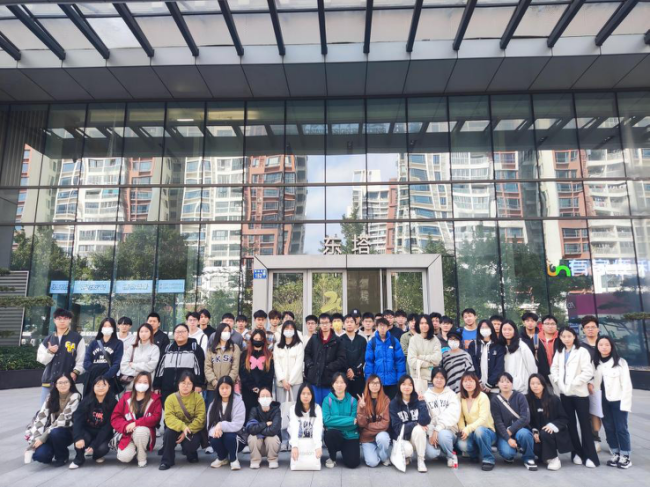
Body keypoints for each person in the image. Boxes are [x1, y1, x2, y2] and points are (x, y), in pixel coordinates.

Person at [550, 326, 598, 468]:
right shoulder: (559, 352)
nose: (566, 339)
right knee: (570, 424)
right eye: (564, 336)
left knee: (585, 424)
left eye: (569, 336)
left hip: (579, 393)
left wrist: (573, 382)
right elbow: (554, 368)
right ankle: (576, 453)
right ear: (560, 338)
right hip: (565, 393)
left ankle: (590, 456)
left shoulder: (582, 351)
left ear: (574, 337)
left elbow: (588, 371)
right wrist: (558, 381)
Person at [25, 372, 81, 466]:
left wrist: (42, 438)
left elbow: (62, 420)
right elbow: (41, 417)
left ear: (71, 383)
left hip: (66, 432)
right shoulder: (50, 396)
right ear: (55, 385)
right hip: (49, 433)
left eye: (66, 382)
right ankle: (53, 449)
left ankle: (62, 456)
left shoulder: (75, 396)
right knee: (41, 456)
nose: (63, 385)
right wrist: (35, 441)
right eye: (60, 383)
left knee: (56, 432)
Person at [594, 336, 633, 469]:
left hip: (618, 400)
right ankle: (615, 453)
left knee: (621, 428)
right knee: (609, 428)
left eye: (607, 345)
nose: (604, 347)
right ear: (597, 347)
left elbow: (627, 385)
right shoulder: (596, 363)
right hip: (603, 401)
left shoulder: (620, 362)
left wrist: (626, 404)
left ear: (611, 346)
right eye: (601, 345)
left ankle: (625, 456)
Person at [111, 371, 163, 468]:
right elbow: (115, 417)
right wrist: (125, 426)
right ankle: (134, 449)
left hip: (144, 433)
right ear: (135, 383)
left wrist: (136, 423)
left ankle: (141, 456)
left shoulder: (155, 399)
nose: (142, 384)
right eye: (139, 382)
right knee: (124, 457)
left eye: (145, 382)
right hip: (128, 434)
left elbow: (156, 418)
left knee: (140, 431)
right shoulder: (126, 397)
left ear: (149, 384)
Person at [37, 308, 85, 405]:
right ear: (54, 320)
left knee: (67, 409)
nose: (62, 321)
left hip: (67, 381)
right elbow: (41, 359)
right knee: (45, 408)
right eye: (59, 318)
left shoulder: (77, 338)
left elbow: (82, 359)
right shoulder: (48, 339)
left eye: (65, 318)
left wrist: (75, 372)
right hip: (49, 381)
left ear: (70, 320)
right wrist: (50, 352)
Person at [159, 372, 206, 470]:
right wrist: (182, 427)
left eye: (189, 383)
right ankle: (167, 460)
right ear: (178, 384)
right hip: (176, 427)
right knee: (168, 434)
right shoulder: (171, 398)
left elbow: (201, 418)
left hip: (192, 428)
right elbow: (169, 417)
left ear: (193, 385)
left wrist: (186, 431)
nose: (186, 386)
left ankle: (191, 453)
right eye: (183, 383)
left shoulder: (198, 398)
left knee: (191, 444)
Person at [490, 373, 537, 470]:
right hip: (504, 432)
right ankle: (512, 452)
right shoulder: (495, 400)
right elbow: (498, 422)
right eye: (502, 382)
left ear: (512, 383)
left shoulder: (520, 396)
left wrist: (511, 430)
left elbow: (525, 418)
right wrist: (508, 438)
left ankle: (529, 458)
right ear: (498, 384)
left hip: (520, 429)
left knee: (525, 434)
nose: (505, 384)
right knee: (508, 453)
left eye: (508, 382)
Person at [526, 373, 572, 471]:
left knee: (545, 432)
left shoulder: (553, 399)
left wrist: (552, 426)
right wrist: (534, 431)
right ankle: (544, 457)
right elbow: (527, 420)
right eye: (532, 383)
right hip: (537, 433)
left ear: (543, 385)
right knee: (534, 445)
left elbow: (564, 418)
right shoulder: (527, 400)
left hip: (553, 433)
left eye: (538, 383)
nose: (535, 386)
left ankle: (553, 459)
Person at [69, 376, 117, 469]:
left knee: (102, 449)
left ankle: (96, 455)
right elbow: (78, 421)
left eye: (104, 385)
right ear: (93, 387)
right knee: (81, 438)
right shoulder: (86, 401)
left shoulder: (113, 402)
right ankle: (79, 458)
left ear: (109, 386)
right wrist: (78, 438)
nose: (101, 388)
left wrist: (94, 445)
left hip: (103, 433)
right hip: (87, 431)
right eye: (98, 385)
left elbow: (108, 427)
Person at [154, 323, 206, 407]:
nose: (180, 334)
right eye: (177, 332)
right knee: (168, 411)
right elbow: (160, 368)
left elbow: (200, 368)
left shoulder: (195, 348)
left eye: (183, 331)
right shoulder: (168, 348)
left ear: (188, 333)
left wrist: (199, 385)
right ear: (174, 334)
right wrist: (157, 386)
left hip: (187, 389)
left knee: (186, 411)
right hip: (167, 389)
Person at [389, 374, 431, 473]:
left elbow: (425, 421)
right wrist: (415, 423)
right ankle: (407, 456)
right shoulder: (394, 404)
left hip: (415, 437)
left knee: (420, 430)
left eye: (410, 384)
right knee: (408, 449)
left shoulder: (418, 400)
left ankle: (421, 460)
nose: (407, 387)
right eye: (404, 384)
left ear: (413, 387)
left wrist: (422, 403)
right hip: (402, 438)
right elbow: (398, 429)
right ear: (399, 386)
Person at [456, 372, 497, 471]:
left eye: (471, 381)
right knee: (462, 444)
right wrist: (462, 430)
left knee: (479, 431)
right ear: (462, 383)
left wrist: (468, 429)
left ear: (476, 383)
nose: (468, 384)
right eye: (465, 381)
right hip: (471, 432)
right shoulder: (460, 396)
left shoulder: (483, 397)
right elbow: (460, 416)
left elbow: (483, 419)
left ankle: (488, 459)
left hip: (487, 431)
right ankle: (474, 454)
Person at [304, 313, 347, 405]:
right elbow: (307, 353)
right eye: (322, 323)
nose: (324, 325)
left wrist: (329, 367)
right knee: (315, 407)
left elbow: (341, 359)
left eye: (326, 323)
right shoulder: (314, 338)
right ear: (319, 324)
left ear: (331, 324)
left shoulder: (337, 341)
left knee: (329, 406)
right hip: (314, 379)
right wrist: (310, 365)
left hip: (329, 380)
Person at [423, 368, 460, 467]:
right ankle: (443, 449)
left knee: (443, 435)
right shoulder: (426, 396)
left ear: (446, 380)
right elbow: (426, 417)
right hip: (432, 431)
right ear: (432, 379)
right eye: (436, 377)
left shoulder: (451, 395)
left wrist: (438, 429)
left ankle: (450, 455)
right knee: (432, 454)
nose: (439, 380)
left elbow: (452, 415)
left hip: (448, 431)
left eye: (442, 378)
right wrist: (431, 433)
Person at [207, 375, 246, 470]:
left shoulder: (238, 402)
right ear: (218, 389)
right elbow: (209, 425)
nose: (224, 391)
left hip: (237, 437)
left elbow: (238, 424)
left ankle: (234, 459)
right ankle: (222, 457)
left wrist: (221, 425)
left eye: (227, 388)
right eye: (222, 388)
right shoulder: (213, 404)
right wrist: (215, 431)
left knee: (229, 436)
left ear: (232, 388)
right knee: (214, 438)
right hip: (220, 436)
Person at [322, 373, 360, 469]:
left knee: (353, 463)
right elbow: (326, 421)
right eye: (336, 382)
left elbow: (355, 424)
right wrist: (349, 420)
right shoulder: (327, 400)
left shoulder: (353, 401)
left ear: (346, 384)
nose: (339, 385)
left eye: (342, 382)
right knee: (330, 434)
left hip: (350, 435)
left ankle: (346, 451)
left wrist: (334, 421)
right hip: (336, 435)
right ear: (332, 384)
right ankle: (332, 457)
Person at [365, 317, 406, 399]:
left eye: (384, 326)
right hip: (377, 382)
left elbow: (400, 361)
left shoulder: (394, 341)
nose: (382, 328)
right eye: (380, 326)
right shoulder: (372, 342)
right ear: (376, 327)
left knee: (392, 403)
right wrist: (369, 380)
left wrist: (400, 380)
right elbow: (369, 363)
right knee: (378, 404)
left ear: (388, 327)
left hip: (393, 381)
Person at [357, 374, 391, 467]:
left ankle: (383, 456)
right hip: (367, 437)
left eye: (377, 383)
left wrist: (368, 427)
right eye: (372, 383)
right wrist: (361, 409)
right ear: (368, 385)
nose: (375, 385)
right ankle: (376, 452)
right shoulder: (362, 400)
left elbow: (385, 423)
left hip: (380, 434)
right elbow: (361, 424)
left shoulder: (385, 400)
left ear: (380, 385)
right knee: (372, 463)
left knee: (382, 438)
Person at [84, 318, 124, 395]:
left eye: (110, 326)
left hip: (108, 379)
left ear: (113, 328)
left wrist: (105, 377)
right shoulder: (93, 343)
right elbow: (86, 361)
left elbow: (117, 363)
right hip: (92, 378)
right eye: (105, 326)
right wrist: (95, 371)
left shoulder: (118, 343)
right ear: (101, 328)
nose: (107, 328)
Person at [205, 323, 241, 406]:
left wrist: (227, 382)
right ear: (219, 332)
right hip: (213, 387)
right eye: (224, 331)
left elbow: (235, 367)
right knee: (212, 409)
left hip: (228, 387)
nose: (227, 333)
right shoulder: (211, 349)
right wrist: (215, 382)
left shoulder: (234, 348)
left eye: (228, 331)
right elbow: (207, 367)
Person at [240, 329, 275, 415]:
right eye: (256, 339)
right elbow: (243, 372)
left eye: (260, 339)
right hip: (248, 390)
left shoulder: (269, 355)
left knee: (263, 413)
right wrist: (252, 386)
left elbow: (270, 373)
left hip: (264, 391)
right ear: (252, 339)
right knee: (249, 413)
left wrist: (261, 388)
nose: (258, 341)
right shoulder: (245, 354)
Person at [582, 315, 603, 453]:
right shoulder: (580, 346)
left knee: (608, 412)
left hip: (607, 383)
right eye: (587, 327)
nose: (590, 329)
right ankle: (595, 439)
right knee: (593, 412)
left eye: (593, 327)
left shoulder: (604, 343)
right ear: (583, 330)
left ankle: (613, 441)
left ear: (598, 329)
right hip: (590, 384)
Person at [289, 383, 324, 467]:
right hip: (299, 440)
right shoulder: (293, 408)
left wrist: (318, 446)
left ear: (312, 396)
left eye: (308, 394)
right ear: (299, 395)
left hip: (312, 440)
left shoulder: (317, 408)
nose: (306, 396)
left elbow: (317, 427)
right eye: (303, 393)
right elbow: (293, 427)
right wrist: (294, 446)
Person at [245, 387, 281, 469]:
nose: (265, 398)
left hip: (272, 445)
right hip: (258, 445)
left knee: (272, 437)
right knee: (252, 437)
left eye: (267, 396)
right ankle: (255, 460)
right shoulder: (254, 410)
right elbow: (250, 429)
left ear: (271, 398)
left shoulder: (276, 410)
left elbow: (273, 430)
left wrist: (258, 429)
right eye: (262, 396)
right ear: (258, 399)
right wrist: (265, 424)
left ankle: (272, 460)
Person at [468, 320, 505, 396]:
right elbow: (472, 364)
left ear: (491, 329)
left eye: (487, 327)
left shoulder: (498, 345)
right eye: (482, 328)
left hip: (494, 387)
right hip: (478, 386)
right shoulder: (473, 345)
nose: (485, 329)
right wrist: (478, 381)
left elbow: (499, 366)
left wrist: (490, 383)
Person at [120, 323, 160, 391]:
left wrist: (134, 365)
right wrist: (139, 374)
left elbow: (151, 367)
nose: (143, 334)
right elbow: (123, 367)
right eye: (141, 331)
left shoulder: (154, 348)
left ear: (151, 333)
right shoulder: (131, 348)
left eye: (146, 331)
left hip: (146, 386)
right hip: (131, 387)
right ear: (138, 333)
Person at [407, 314, 443, 392]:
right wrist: (430, 364)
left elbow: (437, 359)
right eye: (422, 323)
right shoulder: (413, 340)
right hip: (418, 380)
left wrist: (420, 357)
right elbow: (412, 362)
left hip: (432, 380)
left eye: (426, 323)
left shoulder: (435, 339)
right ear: (418, 325)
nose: (424, 325)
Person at [500, 320, 537, 394]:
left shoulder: (522, 346)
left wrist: (532, 383)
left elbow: (531, 366)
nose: (507, 332)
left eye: (510, 329)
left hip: (521, 389)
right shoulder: (501, 346)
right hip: (505, 388)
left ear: (514, 331)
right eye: (504, 329)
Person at [274, 320, 304, 405]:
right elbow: (276, 364)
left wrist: (290, 382)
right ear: (283, 330)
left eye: (291, 329)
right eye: (287, 328)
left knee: (295, 406)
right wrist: (283, 380)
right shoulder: (277, 345)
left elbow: (298, 364)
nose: (289, 330)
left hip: (296, 382)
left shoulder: (299, 345)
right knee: (282, 406)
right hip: (281, 383)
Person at [340, 313, 367, 398]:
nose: (349, 324)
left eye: (351, 322)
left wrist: (354, 370)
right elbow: (340, 357)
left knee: (358, 400)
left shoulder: (362, 340)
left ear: (356, 324)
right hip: (344, 376)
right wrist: (348, 370)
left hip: (358, 376)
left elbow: (363, 357)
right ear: (343, 325)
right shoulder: (339, 340)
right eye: (347, 322)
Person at [520, 312, 551, 379]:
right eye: (527, 321)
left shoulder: (542, 336)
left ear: (536, 323)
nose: (530, 323)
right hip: (525, 371)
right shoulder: (519, 338)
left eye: (532, 321)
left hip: (542, 370)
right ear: (523, 322)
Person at [539, 315, 560, 384]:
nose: (550, 326)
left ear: (556, 325)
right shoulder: (535, 339)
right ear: (542, 326)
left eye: (553, 324)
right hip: (542, 377)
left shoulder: (562, 338)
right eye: (547, 324)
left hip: (560, 375)